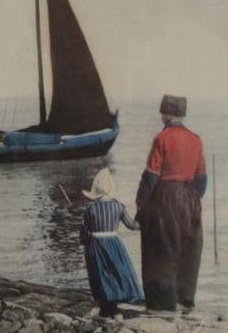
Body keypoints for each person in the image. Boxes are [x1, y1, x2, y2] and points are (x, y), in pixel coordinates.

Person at [136, 95, 207, 313]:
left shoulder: (162, 138)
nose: (161, 116)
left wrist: (141, 202)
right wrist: (193, 198)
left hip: (165, 197)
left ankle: (161, 303)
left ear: (167, 114)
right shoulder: (196, 139)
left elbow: (151, 175)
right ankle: (185, 299)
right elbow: (202, 178)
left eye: (162, 112)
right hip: (190, 197)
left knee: (161, 248)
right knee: (189, 248)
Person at [80, 167, 144, 319]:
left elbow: (83, 233)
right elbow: (133, 225)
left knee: (101, 274)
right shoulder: (118, 206)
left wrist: (86, 244)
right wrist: (143, 215)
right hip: (114, 244)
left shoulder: (90, 209)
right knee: (116, 273)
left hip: (96, 244)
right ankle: (114, 309)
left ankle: (105, 308)